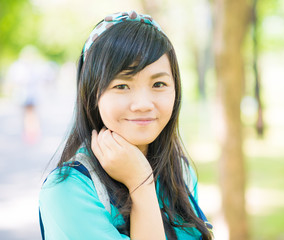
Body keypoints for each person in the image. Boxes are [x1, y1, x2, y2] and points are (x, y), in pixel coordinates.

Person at [39, 11, 213, 240]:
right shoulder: (68, 192)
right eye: (121, 85)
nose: (142, 104)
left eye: (159, 83)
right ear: (92, 95)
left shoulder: (180, 171)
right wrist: (140, 183)